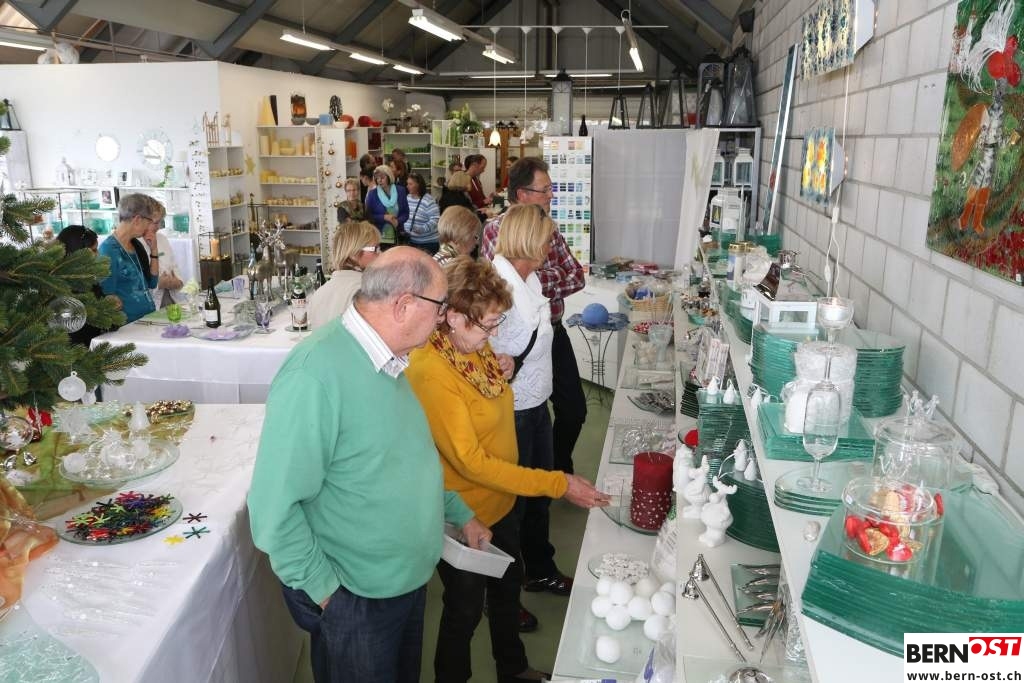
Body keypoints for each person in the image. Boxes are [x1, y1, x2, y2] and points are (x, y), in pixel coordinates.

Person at [249, 247, 491, 683]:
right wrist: (326, 593)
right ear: (404, 305)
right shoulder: (315, 374)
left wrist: (457, 512)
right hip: (356, 596)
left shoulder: (389, 360)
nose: (442, 319)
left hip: (403, 583)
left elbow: (397, 460)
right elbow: (272, 509)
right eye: (440, 307)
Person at [406, 256, 608, 683]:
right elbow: (471, 463)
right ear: (454, 317)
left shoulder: (471, 346)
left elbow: (488, 393)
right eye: (488, 324)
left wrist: (506, 368)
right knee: (463, 612)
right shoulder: (430, 372)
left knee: (507, 590)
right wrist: (556, 483)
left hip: (501, 502)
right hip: (464, 514)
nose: (493, 334)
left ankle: (512, 669)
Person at [481, 158, 588, 590]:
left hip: (535, 404)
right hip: (517, 410)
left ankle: (538, 570)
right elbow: (479, 341)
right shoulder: (500, 287)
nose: (551, 248)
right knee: (518, 503)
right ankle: (508, 589)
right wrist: (500, 361)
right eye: (546, 242)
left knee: (537, 496)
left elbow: (575, 276)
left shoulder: (532, 282)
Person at [98, 193, 162, 323]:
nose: (149, 227)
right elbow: (107, 297)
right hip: (127, 325)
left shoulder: (136, 244)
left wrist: (154, 250)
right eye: (149, 221)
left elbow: (152, 283)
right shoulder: (108, 251)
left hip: (147, 318)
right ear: (137, 220)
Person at [307, 221, 380, 329]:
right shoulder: (366, 291)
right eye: (375, 249)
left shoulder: (319, 293)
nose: (380, 254)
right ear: (354, 253)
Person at [57, 225, 122, 346]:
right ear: (77, 252)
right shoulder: (58, 286)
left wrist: (110, 305)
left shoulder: (88, 280)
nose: (98, 254)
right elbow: (73, 331)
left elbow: (109, 324)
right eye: (94, 250)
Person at [134, 214, 185, 308]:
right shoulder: (135, 243)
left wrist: (177, 282)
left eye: (160, 222)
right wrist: (159, 284)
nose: (158, 227)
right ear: (143, 221)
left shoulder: (162, 238)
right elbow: (137, 286)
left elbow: (174, 265)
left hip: (171, 296)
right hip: (151, 301)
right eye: (156, 222)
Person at [365, 165, 408, 250]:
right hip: (379, 237)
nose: (379, 180)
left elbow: (406, 213)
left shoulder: (401, 190)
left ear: (389, 177)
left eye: (382, 177)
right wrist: (384, 217)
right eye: (377, 178)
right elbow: (368, 216)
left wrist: (398, 221)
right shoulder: (372, 194)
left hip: (398, 235)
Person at [405, 173, 440, 254]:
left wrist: (422, 229)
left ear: (418, 185)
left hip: (428, 243)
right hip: (412, 241)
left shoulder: (428, 200)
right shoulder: (407, 197)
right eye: (407, 183)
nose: (407, 186)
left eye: (410, 184)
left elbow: (435, 219)